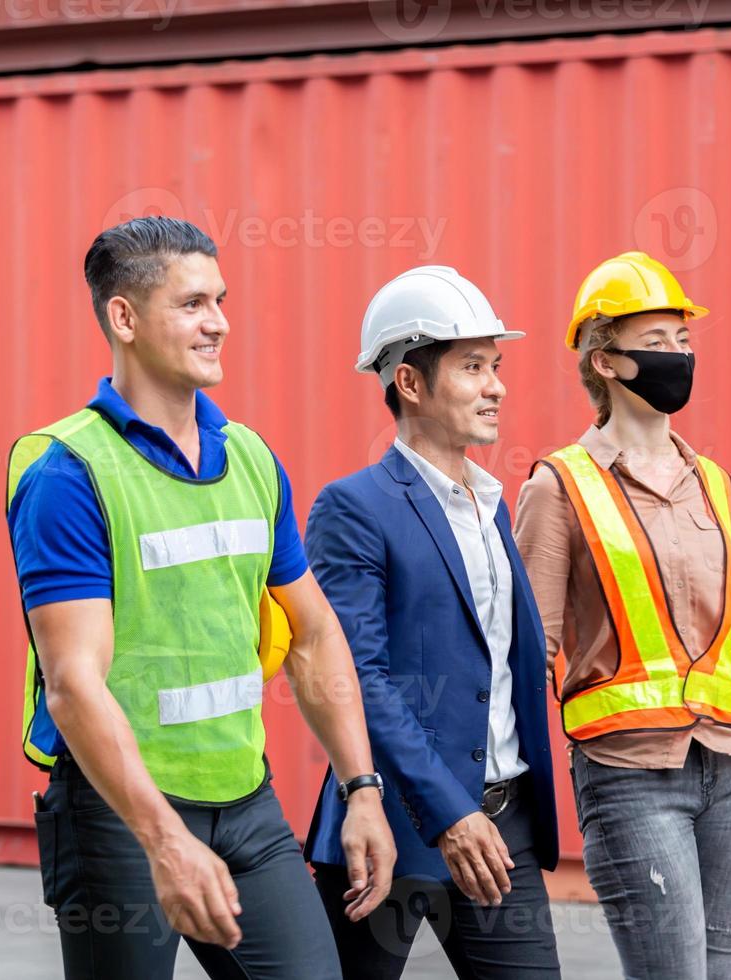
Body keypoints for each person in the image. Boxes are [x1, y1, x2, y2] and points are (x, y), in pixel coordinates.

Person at [5, 217, 396, 979]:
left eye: (219, 300)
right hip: (118, 814)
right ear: (123, 317)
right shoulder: (66, 471)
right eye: (191, 304)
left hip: (245, 802)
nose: (218, 322)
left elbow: (312, 633)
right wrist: (163, 840)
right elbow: (74, 684)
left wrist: (361, 788)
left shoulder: (249, 457)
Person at [514, 250, 731, 980]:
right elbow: (523, 651)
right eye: (656, 343)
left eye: (684, 341)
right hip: (628, 776)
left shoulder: (712, 482)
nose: (677, 357)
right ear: (604, 361)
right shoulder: (558, 486)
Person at [304, 266, 560, 978]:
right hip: (394, 825)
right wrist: (448, 812)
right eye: (472, 367)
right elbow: (360, 674)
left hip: (501, 821)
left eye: (496, 366)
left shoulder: (493, 507)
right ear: (410, 384)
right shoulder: (353, 507)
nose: (496, 386)